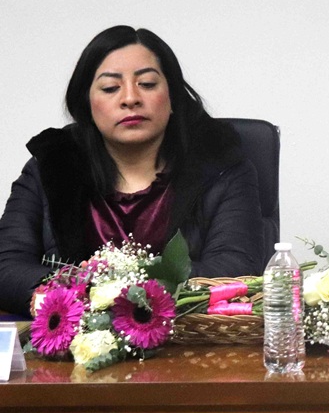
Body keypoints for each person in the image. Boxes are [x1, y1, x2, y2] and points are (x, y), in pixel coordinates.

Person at [0, 26, 264, 316]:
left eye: (147, 84)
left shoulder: (221, 163)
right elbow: (6, 267)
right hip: (71, 349)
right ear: (87, 104)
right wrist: (79, 294)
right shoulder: (51, 166)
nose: (130, 98)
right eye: (111, 88)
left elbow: (236, 270)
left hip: (189, 347)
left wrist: (120, 286)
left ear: (173, 97)